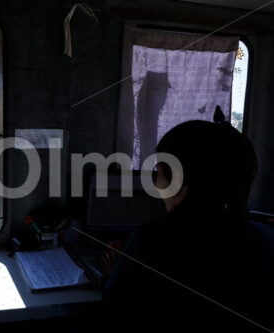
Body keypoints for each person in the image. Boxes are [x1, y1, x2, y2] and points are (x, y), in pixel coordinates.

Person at [102, 109, 273, 332]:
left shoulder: (150, 243)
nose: (157, 185)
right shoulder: (264, 239)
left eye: (159, 173)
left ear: (180, 180)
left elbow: (114, 313)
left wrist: (109, 276)